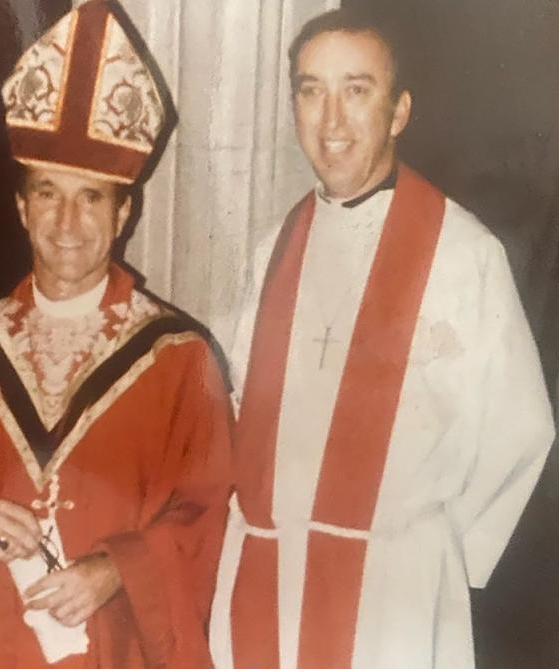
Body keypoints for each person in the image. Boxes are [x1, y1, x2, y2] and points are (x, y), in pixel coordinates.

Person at [209, 8, 556, 669]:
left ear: (398, 112)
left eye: (356, 90)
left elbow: (522, 427)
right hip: (266, 579)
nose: (330, 121)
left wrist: (437, 553)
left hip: (394, 593)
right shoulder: (272, 249)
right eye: (312, 91)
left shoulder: (462, 253)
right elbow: (242, 406)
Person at [0, 1, 233, 666]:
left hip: (117, 646)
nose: (67, 220)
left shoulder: (179, 362)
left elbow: (206, 515)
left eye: (91, 197)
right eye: (48, 193)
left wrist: (116, 570)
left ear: (124, 212)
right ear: (21, 208)